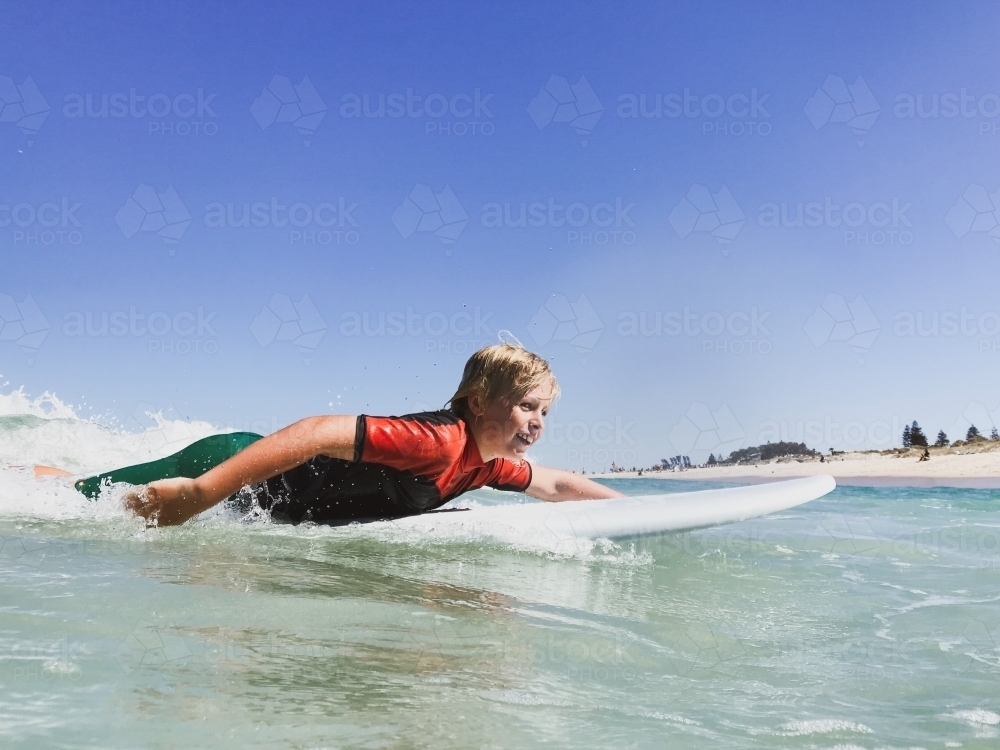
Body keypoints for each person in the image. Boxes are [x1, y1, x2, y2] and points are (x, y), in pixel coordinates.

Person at [47, 343, 623, 527]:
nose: (537, 421)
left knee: (108, 502)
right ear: (477, 404)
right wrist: (201, 493)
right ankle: (34, 475)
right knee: (79, 499)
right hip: (233, 464)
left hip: (259, 499)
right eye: (525, 405)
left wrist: (622, 513)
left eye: (543, 410)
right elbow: (318, 429)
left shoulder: (484, 464)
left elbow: (556, 485)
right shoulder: (438, 443)